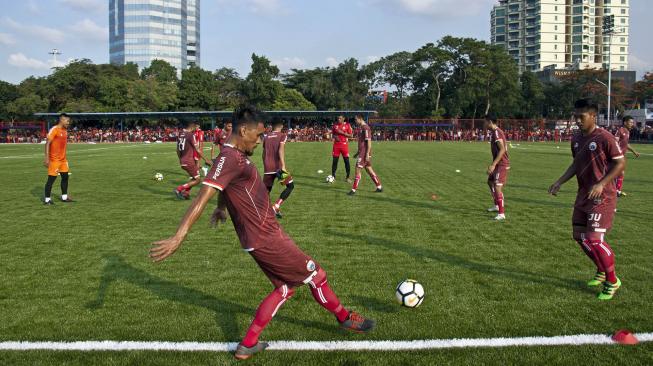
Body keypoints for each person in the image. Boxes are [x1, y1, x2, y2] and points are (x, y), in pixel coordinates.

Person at [150, 106, 375, 360]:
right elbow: (203, 194)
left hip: (259, 236)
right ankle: (345, 318)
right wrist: (179, 236)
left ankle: (247, 344)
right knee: (316, 275)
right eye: (257, 136)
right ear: (243, 130)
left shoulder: (234, 156)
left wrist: (222, 209)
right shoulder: (230, 158)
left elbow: (222, 188)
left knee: (284, 288)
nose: (258, 142)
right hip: (265, 237)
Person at [548, 99, 626, 300]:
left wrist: (601, 183)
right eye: (575, 116)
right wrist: (559, 181)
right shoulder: (576, 138)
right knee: (579, 236)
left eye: (581, 117)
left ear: (592, 116)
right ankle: (601, 270)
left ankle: (612, 280)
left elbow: (620, 163)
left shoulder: (605, 137)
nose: (577, 120)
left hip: (603, 196)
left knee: (594, 239)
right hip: (583, 194)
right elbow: (576, 164)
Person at [262, 118, 294, 219]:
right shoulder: (282, 136)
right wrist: (283, 166)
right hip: (278, 168)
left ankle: (265, 212)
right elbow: (280, 150)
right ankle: (276, 206)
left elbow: (263, 154)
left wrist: (265, 164)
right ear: (280, 126)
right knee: (290, 186)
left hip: (268, 168)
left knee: (266, 191)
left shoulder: (266, 137)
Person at [174, 122, 211, 199]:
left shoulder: (180, 134)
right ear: (192, 127)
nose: (196, 130)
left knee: (193, 178)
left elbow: (177, 150)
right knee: (198, 180)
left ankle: (186, 193)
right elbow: (197, 149)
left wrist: (180, 159)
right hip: (189, 161)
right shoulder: (191, 135)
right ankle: (179, 189)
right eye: (195, 128)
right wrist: (206, 159)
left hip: (183, 161)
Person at [43, 113, 73, 205]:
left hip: (63, 160)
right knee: (51, 179)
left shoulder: (65, 130)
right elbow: (47, 143)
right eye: (67, 121)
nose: (68, 123)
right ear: (62, 120)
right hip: (54, 160)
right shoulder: (54, 129)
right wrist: (47, 158)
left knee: (65, 177)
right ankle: (47, 199)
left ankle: (64, 197)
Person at [348, 115, 382, 195]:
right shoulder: (361, 127)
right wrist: (357, 153)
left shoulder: (366, 128)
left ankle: (353, 190)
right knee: (369, 170)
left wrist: (366, 154)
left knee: (357, 169)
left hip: (364, 152)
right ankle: (379, 186)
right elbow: (362, 142)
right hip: (362, 152)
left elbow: (369, 142)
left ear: (360, 119)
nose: (355, 121)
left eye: (356, 119)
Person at [484, 114, 510, 221]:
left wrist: (494, 164)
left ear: (490, 122)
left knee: (498, 186)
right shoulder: (494, 132)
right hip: (498, 163)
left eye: (485, 122)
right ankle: (496, 205)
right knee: (490, 182)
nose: (484, 124)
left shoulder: (496, 132)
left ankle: (501, 213)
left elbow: (502, 149)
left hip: (501, 164)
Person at [614, 116, 640, 197]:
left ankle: (617, 190)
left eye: (632, 122)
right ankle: (615, 190)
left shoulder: (627, 132)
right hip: (617, 156)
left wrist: (634, 151)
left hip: (622, 156)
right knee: (616, 173)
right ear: (625, 122)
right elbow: (614, 142)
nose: (632, 124)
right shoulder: (620, 130)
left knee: (620, 173)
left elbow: (626, 144)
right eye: (630, 122)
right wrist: (616, 154)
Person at [331, 115, 353, 182]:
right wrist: (335, 137)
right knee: (335, 161)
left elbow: (351, 136)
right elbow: (333, 134)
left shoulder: (347, 125)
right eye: (338, 118)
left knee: (346, 161)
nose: (338, 119)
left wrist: (343, 133)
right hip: (336, 146)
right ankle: (333, 176)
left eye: (340, 118)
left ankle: (348, 177)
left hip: (344, 145)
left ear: (344, 119)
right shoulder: (335, 125)